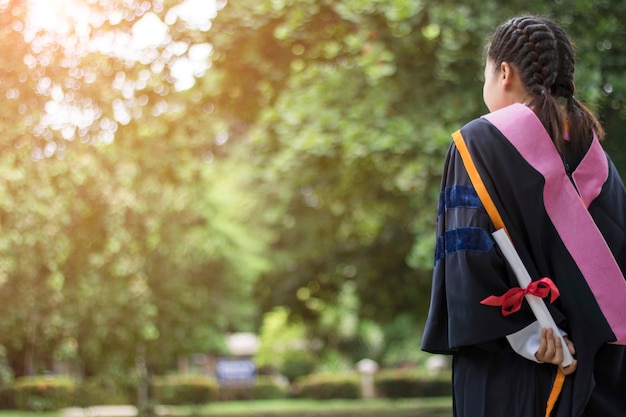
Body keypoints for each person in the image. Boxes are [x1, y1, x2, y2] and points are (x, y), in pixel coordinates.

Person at [421, 15, 626, 417]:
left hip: (508, 368)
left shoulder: (478, 143)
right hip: (594, 377)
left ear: (504, 72)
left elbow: (467, 258)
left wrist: (532, 337)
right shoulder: (599, 161)